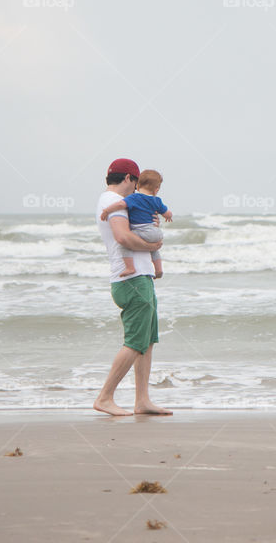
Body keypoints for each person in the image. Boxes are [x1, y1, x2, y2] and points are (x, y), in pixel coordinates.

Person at [93, 158, 172, 416]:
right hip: (131, 279)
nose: (137, 189)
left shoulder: (122, 203)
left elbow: (135, 227)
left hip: (141, 276)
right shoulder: (110, 202)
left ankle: (142, 400)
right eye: (136, 183)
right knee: (135, 341)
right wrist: (152, 246)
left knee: (147, 340)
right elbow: (123, 237)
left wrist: (149, 225)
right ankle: (104, 397)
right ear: (128, 178)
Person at [100, 169, 173, 279]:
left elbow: (120, 205)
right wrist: (168, 216)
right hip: (155, 232)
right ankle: (158, 270)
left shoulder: (134, 198)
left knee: (125, 242)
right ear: (156, 189)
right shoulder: (157, 200)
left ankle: (130, 267)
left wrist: (107, 211)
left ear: (137, 187)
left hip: (141, 231)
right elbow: (167, 213)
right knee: (154, 250)